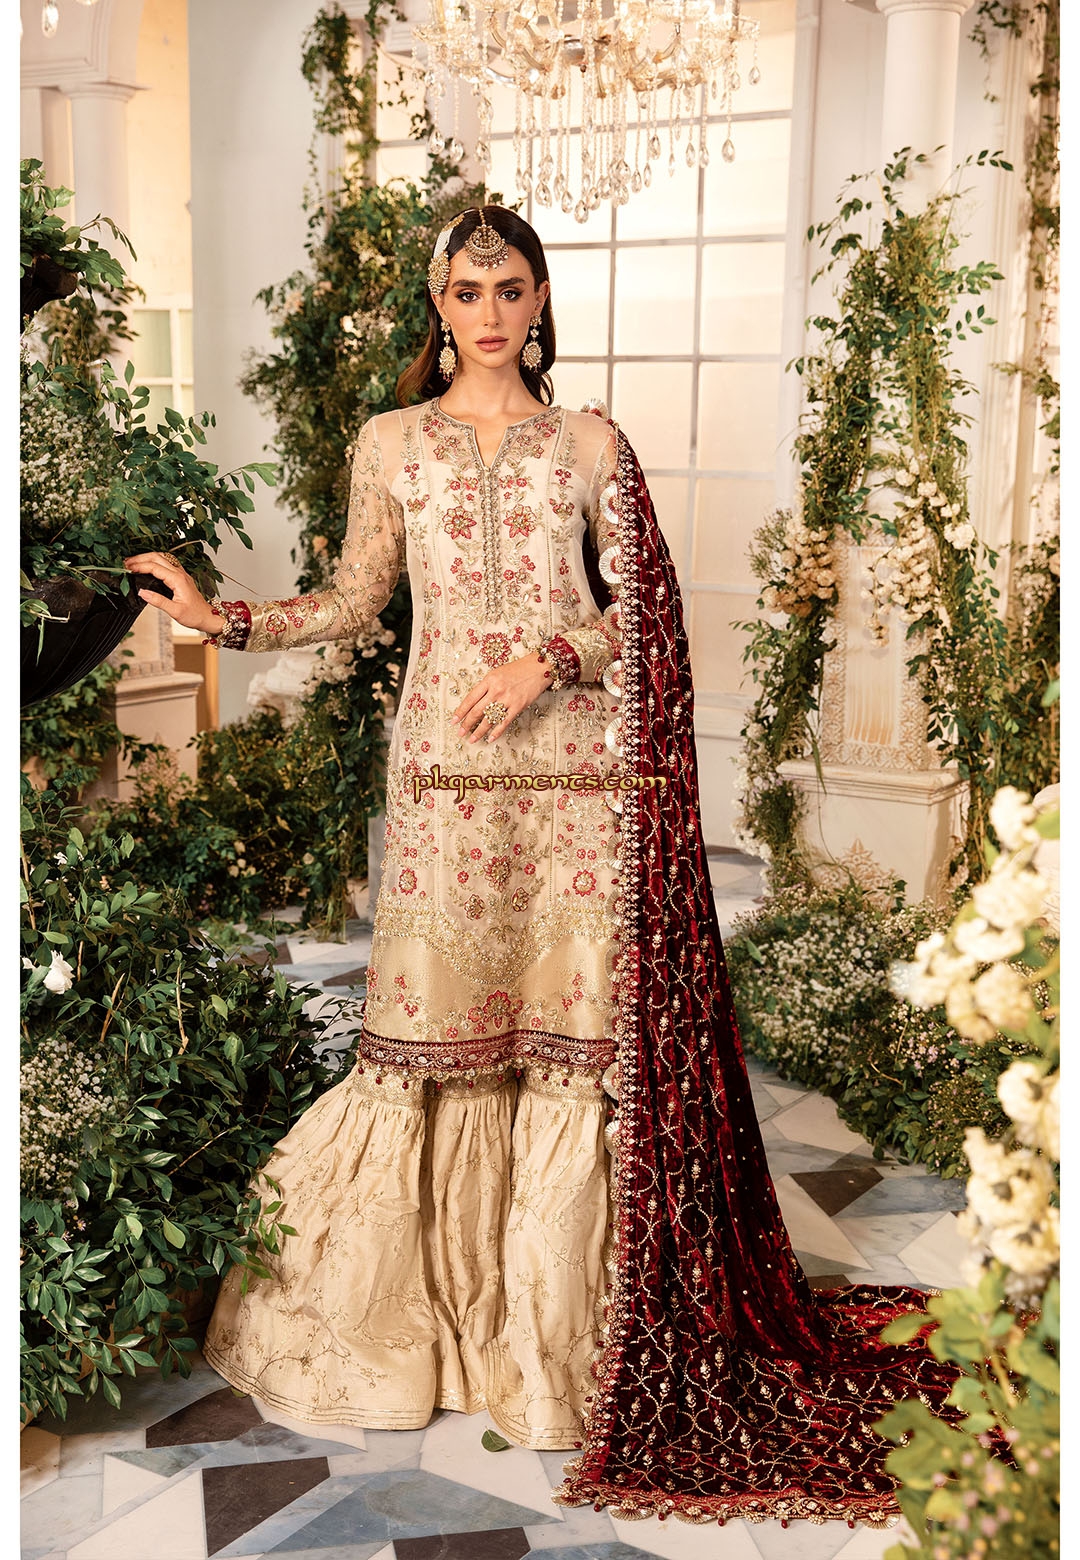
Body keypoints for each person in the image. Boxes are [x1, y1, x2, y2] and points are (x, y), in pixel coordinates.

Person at [125, 205, 968, 1528]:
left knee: (564, 1046)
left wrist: (550, 657)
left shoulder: (589, 444)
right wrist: (215, 617)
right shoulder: (390, 443)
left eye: (511, 288)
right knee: (436, 1041)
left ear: (539, 299)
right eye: (467, 291)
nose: (490, 312)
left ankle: (553, 1348)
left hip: (573, 782)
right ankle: (420, 1338)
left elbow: (646, 615)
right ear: (438, 301)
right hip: (445, 780)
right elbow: (353, 601)